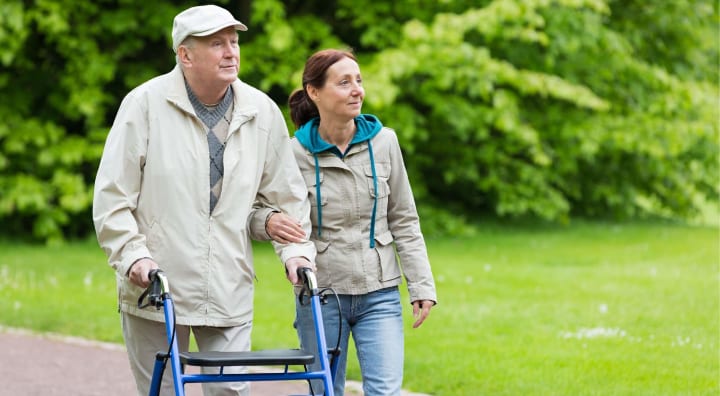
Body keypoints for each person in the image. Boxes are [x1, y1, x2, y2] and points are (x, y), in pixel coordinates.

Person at [92, 5, 315, 396]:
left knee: (230, 391)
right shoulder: (143, 105)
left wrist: (296, 251)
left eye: (234, 41)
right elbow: (112, 198)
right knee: (160, 391)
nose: (231, 52)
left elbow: (287, 196)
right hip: (156, 287)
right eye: (217, 43)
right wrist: (133, 256)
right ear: (185, 54)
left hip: (228, 284)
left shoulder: (260, 111)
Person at [265, 49, 438, 396]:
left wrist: (421, 285)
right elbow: (275, 217)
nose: (357, 89)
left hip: (380, 292)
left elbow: (404, 218)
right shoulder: (293, 153)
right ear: (315, 92)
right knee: (326, 391)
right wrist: (274, 229)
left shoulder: (384, 141)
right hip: (321, 294)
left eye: (358, 81)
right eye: (344, 83)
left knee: (385, 391)